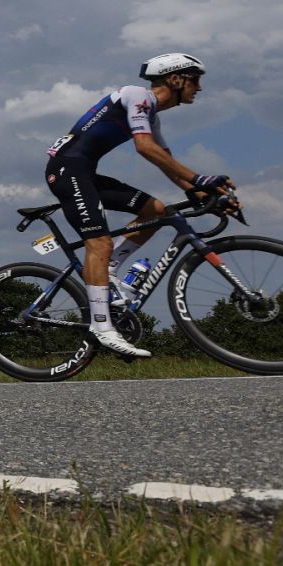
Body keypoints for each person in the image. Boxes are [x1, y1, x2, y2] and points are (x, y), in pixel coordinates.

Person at [45, 53, 234, 359]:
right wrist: (200, 178)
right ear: (175, 79)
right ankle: (101, 325)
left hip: (85, 173)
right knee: (100, 242)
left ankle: (108, 268)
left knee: (157, 212)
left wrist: (204, 194)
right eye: (195, 79)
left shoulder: (152, 116)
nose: (199, 87)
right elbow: (144, 148)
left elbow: (167, 163)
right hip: (66, 170)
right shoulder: (136, 96)